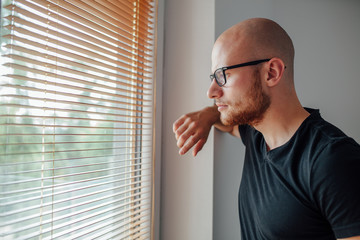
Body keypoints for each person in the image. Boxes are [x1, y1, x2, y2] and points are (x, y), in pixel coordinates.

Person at [172, 18, 360, 239]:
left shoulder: (333, 160)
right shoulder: (256, 133)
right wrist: (208, 114)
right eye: (214, 77)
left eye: (223, 75)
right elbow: (229, 123)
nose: (211, 91)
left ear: (271, 72)